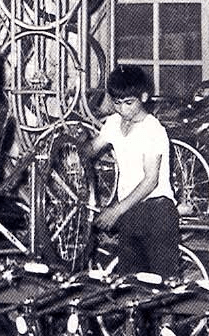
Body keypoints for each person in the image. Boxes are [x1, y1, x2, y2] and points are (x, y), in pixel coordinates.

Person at [82, 66, 184, 279]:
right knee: (130, 286)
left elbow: (150, 181)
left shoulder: (152, 130)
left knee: (161, 287)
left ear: (144, 97)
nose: (123, 109)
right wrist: (73, 147)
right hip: (130, 213)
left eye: (129, 103)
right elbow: (91, 149)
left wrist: (115, 211)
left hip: (157, 213)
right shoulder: (113, 124)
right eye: (117, 103)